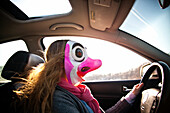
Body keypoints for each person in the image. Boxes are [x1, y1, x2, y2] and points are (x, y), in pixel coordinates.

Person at [14, 40, 144, 113]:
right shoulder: (57, 100)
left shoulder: (78, 92)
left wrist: (131, 96)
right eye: (79, 54)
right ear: (60, 63)